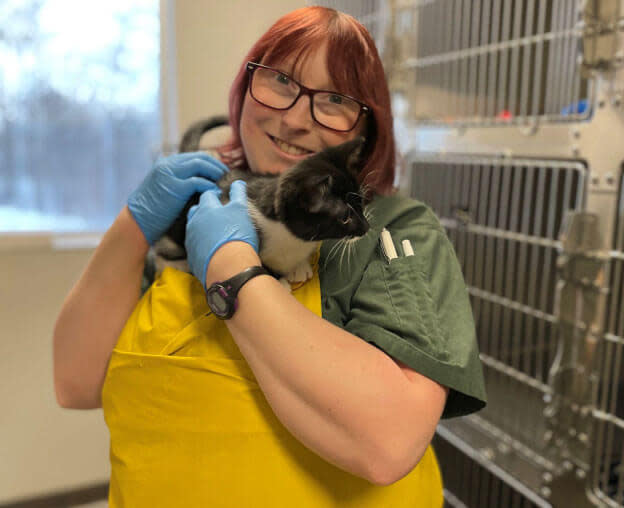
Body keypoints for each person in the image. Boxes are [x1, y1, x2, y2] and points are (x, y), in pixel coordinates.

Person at [53, 6, 486, 507]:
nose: (297, 119)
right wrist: (134, 224)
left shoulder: (390, 233)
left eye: (335, 100)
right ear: (245, 86)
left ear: (365, 129)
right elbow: (76, 384)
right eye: (280, 80)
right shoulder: (195, 211)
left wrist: (235, 272)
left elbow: (388, 445)